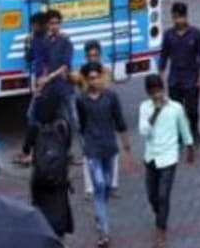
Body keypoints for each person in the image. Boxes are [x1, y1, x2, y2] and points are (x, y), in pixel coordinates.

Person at [78, 62, 130, 248]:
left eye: (97, 77)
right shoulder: (81, 100)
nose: (95, 81)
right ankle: (104, 232)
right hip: (92, 149)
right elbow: (82, 124)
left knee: (106, 185)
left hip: (109, 147)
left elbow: (120, 120)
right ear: (86, 80)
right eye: (91, 78)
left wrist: (126, 145)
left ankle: (100, 215)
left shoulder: (111, 97)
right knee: (99, 185)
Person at [139, 73, 196, 245]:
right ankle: (160, 214)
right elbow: (144, 131)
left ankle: (161, 229)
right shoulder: (145, 108)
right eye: (153, 91)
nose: (157, 95)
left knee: (164, 195)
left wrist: (189, 147)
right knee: (152, 196)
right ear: (148, 93)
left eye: (159, 90)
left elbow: (184, 128)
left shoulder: (175, 108)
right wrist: (156, 111)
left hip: (169, 158)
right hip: (151, 157)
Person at [24, 86, 73, 240]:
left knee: (40, 211)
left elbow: (25, 149)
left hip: (40, 180)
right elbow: (67, 146)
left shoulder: (35, 128)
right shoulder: (63, 127)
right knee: (59, 209)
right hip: (60, 179)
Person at [158, 2, 200, 147]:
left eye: (180, 17)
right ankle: (179, 134)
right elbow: (164, 56)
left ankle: (194, 130)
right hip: (175, 78)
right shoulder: (168, 35)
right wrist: (160, 74)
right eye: (175, 18)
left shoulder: (195, 34)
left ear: (185, 17)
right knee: (176, 109)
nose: (177, 21)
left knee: (192, 109)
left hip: (191, 78)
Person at [76, 41, 120, 199]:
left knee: (113, 152)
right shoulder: (82, 72)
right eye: (89, 56)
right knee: (88, 155)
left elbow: (108, 91)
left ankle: (113, 185)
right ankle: (89, 189)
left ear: (100, 55)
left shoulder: (105, 72)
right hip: (89, 118)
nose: (92, 58)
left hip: (105, 116)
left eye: (95, 55)